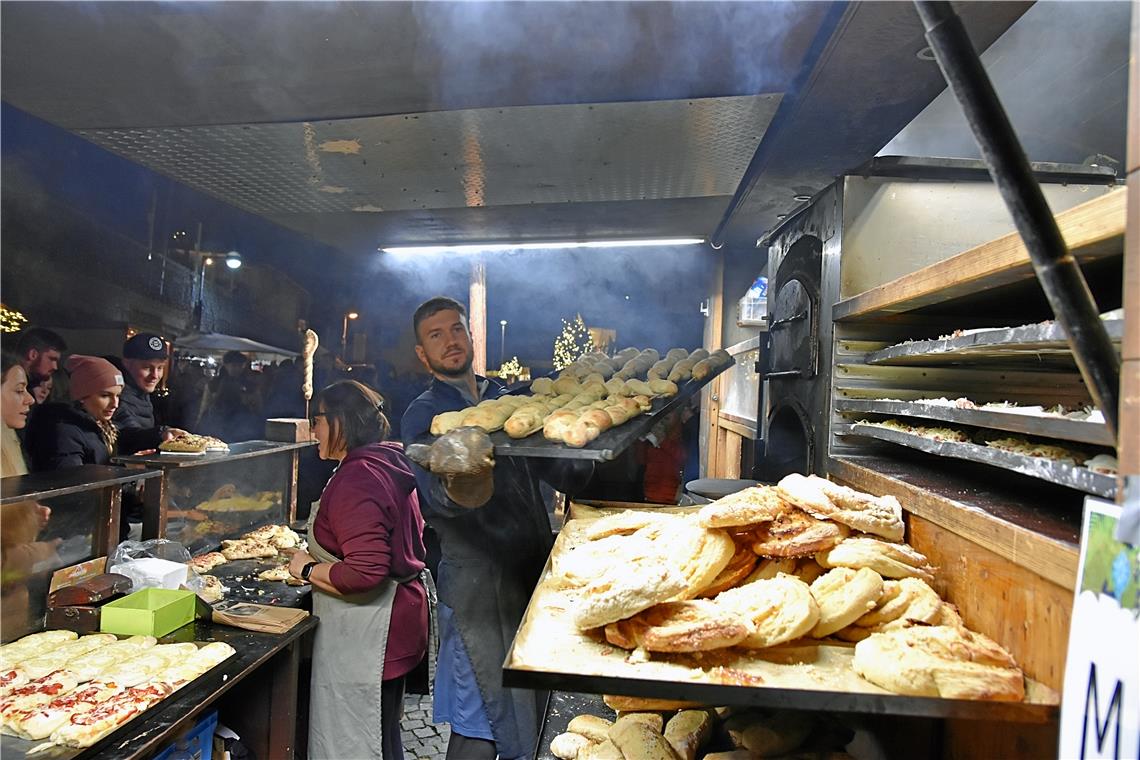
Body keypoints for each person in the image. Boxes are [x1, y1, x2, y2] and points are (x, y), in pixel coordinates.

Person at [401, 296, 592, 760]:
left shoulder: (509, 401)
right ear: (423, 354)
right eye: (436, 334)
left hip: (532, 568)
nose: (450, 340)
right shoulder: (424, 416)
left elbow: (563, 474)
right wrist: (461, 480)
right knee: (481, 718)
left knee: (533, 706)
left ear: (470, 334)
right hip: (475, 584)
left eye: (456, 328)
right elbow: (437, 500)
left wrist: (597, 443)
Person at [287, 380, 428, 760]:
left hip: (374, 634)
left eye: (316, 421)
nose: (312, 430)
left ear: (340, 422)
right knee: (383, 738)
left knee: (365, 741)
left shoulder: (358, 478)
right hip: (400, 620)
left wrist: (305, 569)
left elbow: (366, 573)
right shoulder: (386, 459)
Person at [1, 351, 60, 640]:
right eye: (18, 390)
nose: (31, 399)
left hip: (11, 607)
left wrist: (27, 514)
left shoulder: (8, 442)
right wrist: (40, 554)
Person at [25, 355, 124, 470]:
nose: (115, 404)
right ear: (81, 395)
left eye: (118, 395)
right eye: (105, 396)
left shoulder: (100, 425)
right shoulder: (64, 432)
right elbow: (70, 480)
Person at [114, 333, 184, 452]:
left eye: (160, 368)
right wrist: (160, 434)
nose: (155, 376)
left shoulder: (141, 392)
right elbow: (127, 434)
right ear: (126, 364)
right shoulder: (116, 394)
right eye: (147, 367)